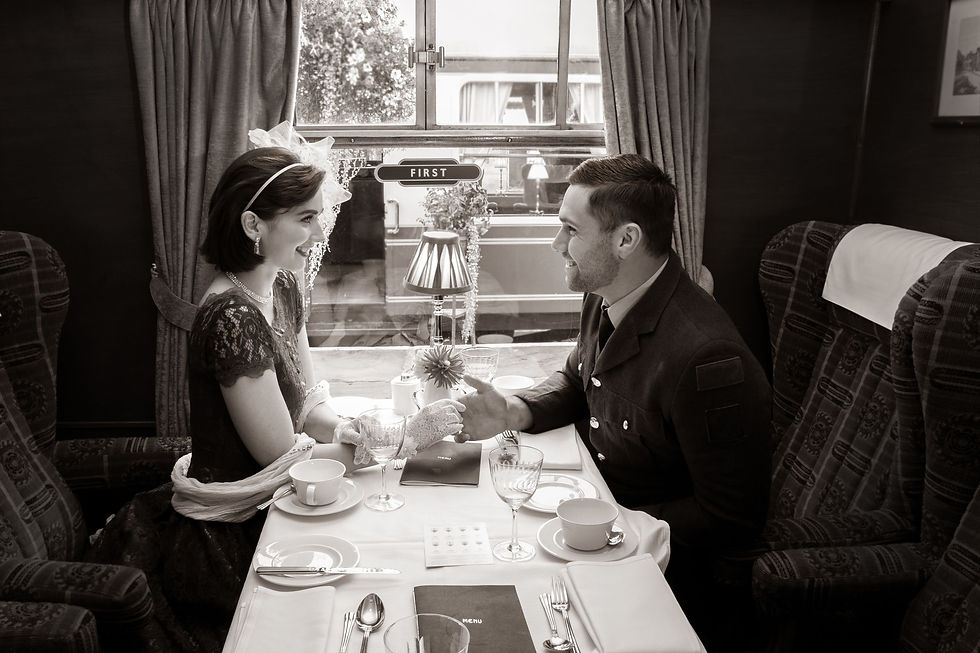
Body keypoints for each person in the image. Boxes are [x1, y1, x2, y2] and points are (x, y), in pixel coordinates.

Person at [86, 144, 463, 652]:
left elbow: (307, 403)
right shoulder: (230, 316)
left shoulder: (282, 287)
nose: (321, 232)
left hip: (284, 497)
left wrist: (346, 430)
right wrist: (404, 441)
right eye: (306, 219)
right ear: (252, 225)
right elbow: (281, 458)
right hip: (239, 529)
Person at [458, 153, 771, 651]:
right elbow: (577, 380)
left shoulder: (706, 356)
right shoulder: (605, 290)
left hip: (654, 574)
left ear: (626, 240)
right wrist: (517, 410)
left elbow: (732, 516)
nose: (556, 244)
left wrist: (610, 521)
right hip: (591, 531)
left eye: (570, 230)